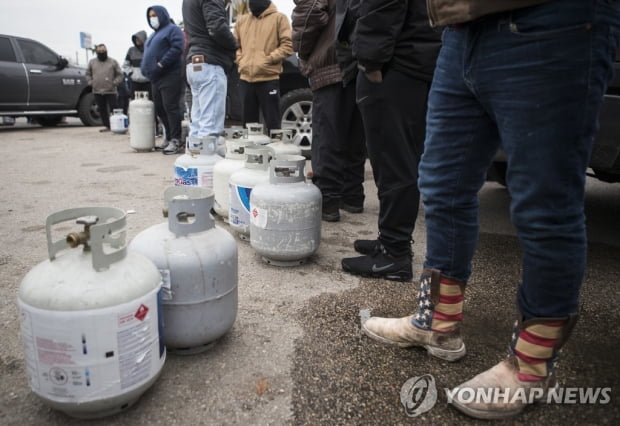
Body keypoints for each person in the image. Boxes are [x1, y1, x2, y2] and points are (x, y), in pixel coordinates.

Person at [361, 0, 620, 420]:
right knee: (442, 185)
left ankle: (529, 367)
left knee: (543, 202)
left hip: (552, 20)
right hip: (460, 28)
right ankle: (437, 324)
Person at [340, 0, 441, 281]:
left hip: (397, 62)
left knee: (393, 159)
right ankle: (390, 241)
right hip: (413, 56)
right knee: (398, 157)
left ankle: (394, 253)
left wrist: (370, 56)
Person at [291, 0, 367, 222]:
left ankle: (328, 201)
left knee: (328, 135)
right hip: (359, 62)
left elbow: (309, 14)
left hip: (330, 62)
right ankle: (352, 196)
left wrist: (303, 52)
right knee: (355, 133)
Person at [182, 0, 238, 146]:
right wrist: (235, 45)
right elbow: (217, 28)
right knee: (210, 127)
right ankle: (205, 166)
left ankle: (194, 161)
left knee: (197, 123)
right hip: (210, 62)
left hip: (195, 62)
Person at [233, 0, 294, 134]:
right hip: (245, 80)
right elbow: (235, 46)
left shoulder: (279, 18)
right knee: (248, 126)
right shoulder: (242, 21)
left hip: (269, 78)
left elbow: (288, 45)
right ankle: (250, 154)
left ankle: (276, 152)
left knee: (273, 124)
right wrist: (241, 60)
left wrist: (269, 59)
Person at [141, 5, 185, 154]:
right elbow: (148, 54)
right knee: (160, 108)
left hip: (169, 75)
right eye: (150, 16)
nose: (152, 18)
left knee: (170, 107)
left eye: (154, 15)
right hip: (155, 78)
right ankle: (168, 137)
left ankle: (176, 140)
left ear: (162, 15)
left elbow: (177, 48)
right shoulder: (153, 35)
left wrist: (161, 63)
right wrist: (145, 68)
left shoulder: (173, 29)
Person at [85, 44, 123, 132]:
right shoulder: (92, 62)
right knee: (102, 110)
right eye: (99, 51)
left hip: (111, 91)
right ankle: (107, 126)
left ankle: (117, 126)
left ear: (106, 51)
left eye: (103, 51)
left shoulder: (113, 62)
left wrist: (114, 83)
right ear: (97, 52)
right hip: (97, 90)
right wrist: (91, 83)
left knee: (114, 109)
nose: (101, 53)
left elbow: (120, 75)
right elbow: (87, 74)